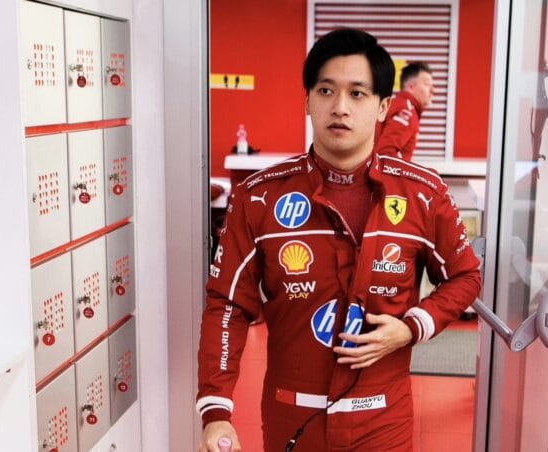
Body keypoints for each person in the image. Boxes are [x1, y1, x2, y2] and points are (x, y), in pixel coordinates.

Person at [197, 28, 480, 452]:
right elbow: (227, 305)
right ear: (308, 100)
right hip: (292, 414)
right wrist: (216, 411)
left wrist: (411, 327)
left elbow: (466, 276)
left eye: (358, 94)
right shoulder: (258, 196)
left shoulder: (423, 193)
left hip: (384, 419)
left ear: (383, 106)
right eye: (326, 90)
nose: (340, 107)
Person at [374, 61, 435, 161]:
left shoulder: (396, 104)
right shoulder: (406, 110)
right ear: (411, 87)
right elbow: (385, 153)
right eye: (427, 84)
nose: (433, 90)